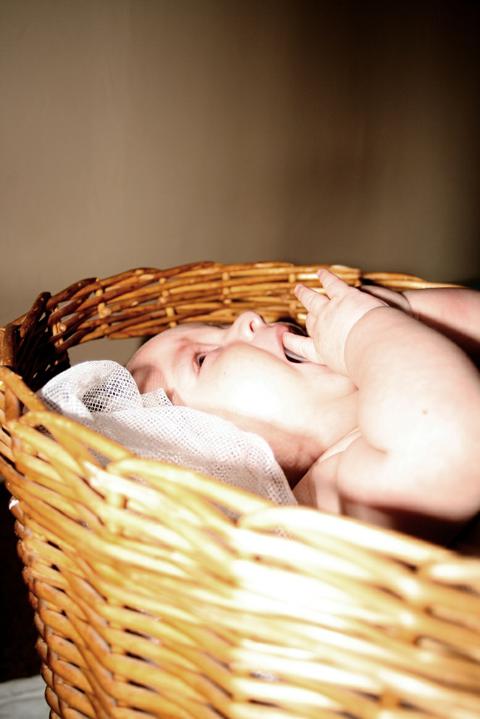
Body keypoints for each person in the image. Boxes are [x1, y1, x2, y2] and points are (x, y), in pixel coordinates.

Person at [127, 270, 480, 549]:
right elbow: (456, 440)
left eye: (218, 328)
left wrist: (401, 313)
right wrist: (368, 328)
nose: (248, 317)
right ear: (209, 455)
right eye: (202, 358)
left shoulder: (390, 385)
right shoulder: (319, 505)